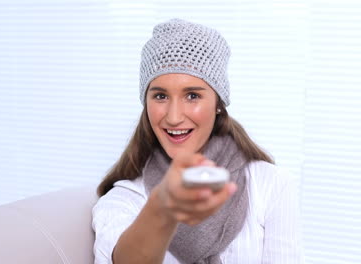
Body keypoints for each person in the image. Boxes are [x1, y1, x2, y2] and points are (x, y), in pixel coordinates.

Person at [92, 18, 304, 264]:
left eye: (192, 95)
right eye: (160, 96)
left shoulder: (271, 185)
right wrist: (162, 207)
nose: (173, 117)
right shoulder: (126, 199)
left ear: (217, 104)